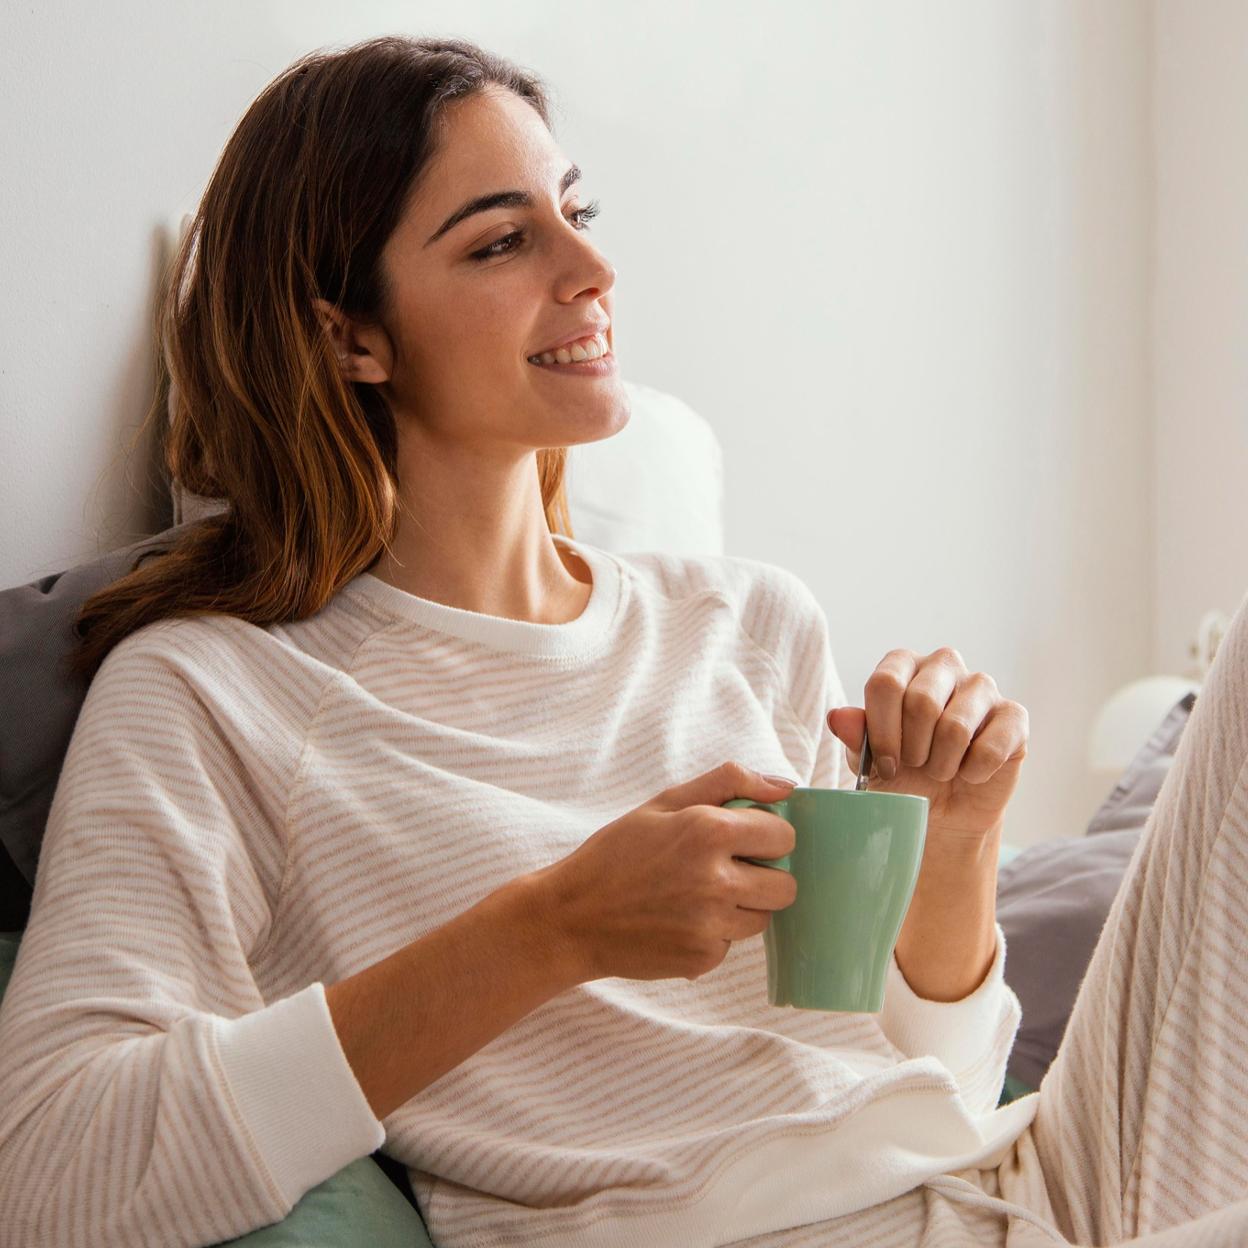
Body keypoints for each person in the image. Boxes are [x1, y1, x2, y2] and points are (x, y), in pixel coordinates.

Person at [1, 33, 1246, 1248]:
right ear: (349, 336)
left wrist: (957, 843)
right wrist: (552, 929)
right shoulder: (214, 694)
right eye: (502, 240)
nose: (590, 266)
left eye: (575, 208)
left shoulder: (747, 620)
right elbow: (50, 1170)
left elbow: (943, 1080)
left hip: (1031, 1181)